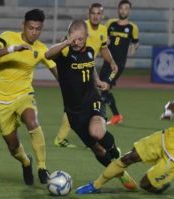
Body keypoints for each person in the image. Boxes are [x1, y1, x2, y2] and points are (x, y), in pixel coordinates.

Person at [45, 19, 135, 190]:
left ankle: (117, 154)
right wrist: (66, 42)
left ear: (86, 37)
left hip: (92, 102)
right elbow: (47, 55)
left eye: (80, 39)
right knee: (99, 151)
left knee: (97, 131)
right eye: (73, 38)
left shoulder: (90, 51)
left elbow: (90, 66)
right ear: (68, 36)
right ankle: (120, 173)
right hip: (74, 113)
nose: (77, 42)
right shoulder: (63, 54)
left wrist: (97, 80)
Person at [0, 9, 57, 185]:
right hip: (1, 101)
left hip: (24, 95)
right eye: (31, 27)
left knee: (32, 122)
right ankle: (26, 162)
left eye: (38, 29)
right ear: (23, 26)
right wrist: (13, 49)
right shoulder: (8, 36)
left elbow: (57, 73)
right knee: (12, 146)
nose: (34, 32)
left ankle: (42, 167)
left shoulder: (41, 49)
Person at [53, 2, 118, 147]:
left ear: (102, 15)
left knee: (85, 104)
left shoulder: (102, 30)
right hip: (74, 69)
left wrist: (111, 61)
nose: (95, 16)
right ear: (89, 14)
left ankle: (95, 137)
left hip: (87, 68)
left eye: (98, 14)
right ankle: (63, 138)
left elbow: (104, 48)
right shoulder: (79, 28)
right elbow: (61, 49)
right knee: (76, 104)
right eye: (93, 13)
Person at [100, 0, 139, 125]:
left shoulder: (132, 27)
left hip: (118, 65)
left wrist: (134, 48)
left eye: (126, 8)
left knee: (105, 86)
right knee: (103, 89)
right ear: (118, 9)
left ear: (129, 11)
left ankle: (101, 117)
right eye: (121, 8)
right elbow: (104, 38)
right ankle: (116, 115)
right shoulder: (110, 23)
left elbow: (135, 42)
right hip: (108, 62)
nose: (123, 11)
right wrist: (106, 41)